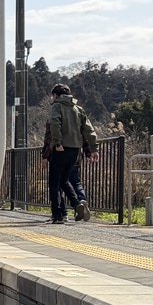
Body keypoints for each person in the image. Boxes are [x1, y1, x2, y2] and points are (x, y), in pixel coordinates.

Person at [46, 84, 98, 224]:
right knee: (64, 180)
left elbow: (54, 124)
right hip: (75, 150)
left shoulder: (56, 107)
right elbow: (88, 129)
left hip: (61, 148)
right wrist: (93, 148)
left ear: (56, 95)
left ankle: (58, 215)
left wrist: (57, 143)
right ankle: (77, 204)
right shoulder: (78, 109)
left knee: (54, 183)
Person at [42, 123, 93, 220]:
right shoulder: (76, 112)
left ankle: (61, 213)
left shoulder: (56, 112)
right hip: (75, 155)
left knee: (56, 185)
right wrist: (89, 151)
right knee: (74, 182)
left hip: (59, 153)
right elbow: (84, 133)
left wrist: (45, 155)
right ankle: (80, 200)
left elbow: (49, 136)